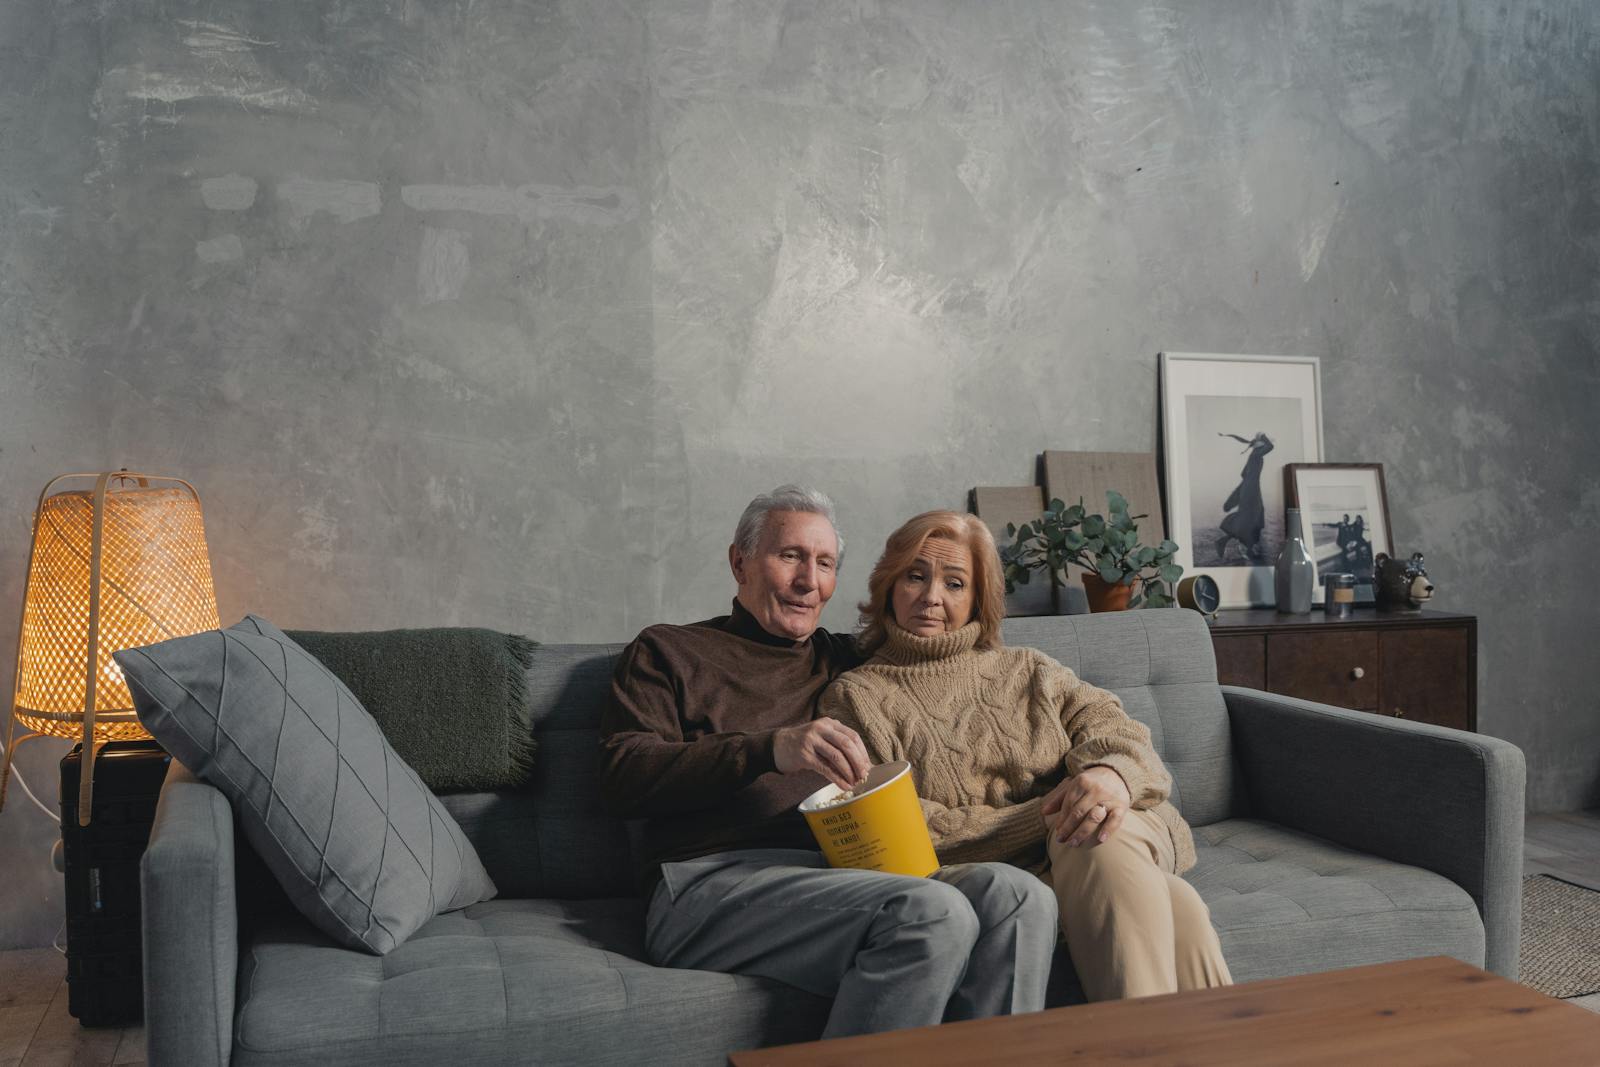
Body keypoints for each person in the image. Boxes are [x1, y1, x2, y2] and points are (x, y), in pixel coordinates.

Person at [598, 486, 1057, 1039]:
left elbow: (947, 659)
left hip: (843, 874)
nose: (807, 581)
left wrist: (1099, 768)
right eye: (789, 556)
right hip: (704, 884)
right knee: (931, 911)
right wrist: (769, 747)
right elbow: (625, 774)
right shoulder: (668, 651)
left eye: (825, 564)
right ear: (739, 561)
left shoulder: (847, 662)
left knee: (1017, 896)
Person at [820, 510, 1232, 1002]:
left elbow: (1120, 731)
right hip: (1031, 868)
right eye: (915, 576)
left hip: (1112, 832)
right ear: (889, 583)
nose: (932, 597)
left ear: (978, 599)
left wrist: (1109, 774)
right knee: (1175, 904)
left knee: (1094, 832)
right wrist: (1053, 815)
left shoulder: (1029, 668)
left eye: (955, 583)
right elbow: (904, 828)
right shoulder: (855, 698)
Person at [1215, 431, 1274, 562]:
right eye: (1263, 444)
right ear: (1260, 446)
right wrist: (1263, 435)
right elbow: (1270, 447)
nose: (1265, 447)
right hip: (1251, 490)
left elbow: (1244, 476)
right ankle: (1246, 548)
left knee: (1254, 517)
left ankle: (1232, 544)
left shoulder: (1254, 456)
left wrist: (1234, 498)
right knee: (1251, 518)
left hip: (1250, 489)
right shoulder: (1257, 455)